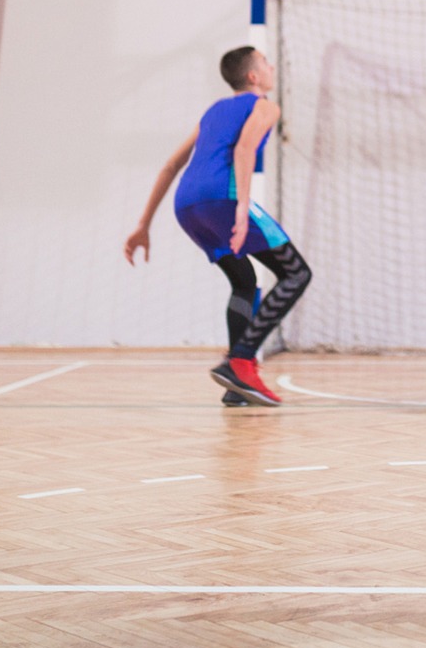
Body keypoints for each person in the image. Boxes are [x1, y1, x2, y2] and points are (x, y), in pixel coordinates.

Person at [124, 47, 312, 407]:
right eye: (266, 63)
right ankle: (240, 361)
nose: (272, 67)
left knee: (243, 283)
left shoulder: (212, 111)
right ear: (254, 77)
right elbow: (243, 151)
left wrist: (143, 224)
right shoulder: (266, 105)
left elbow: (170, 164)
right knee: (296, 274)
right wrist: (241, 210)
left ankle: (235, 388)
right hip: (220, 199)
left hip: (187, 205)